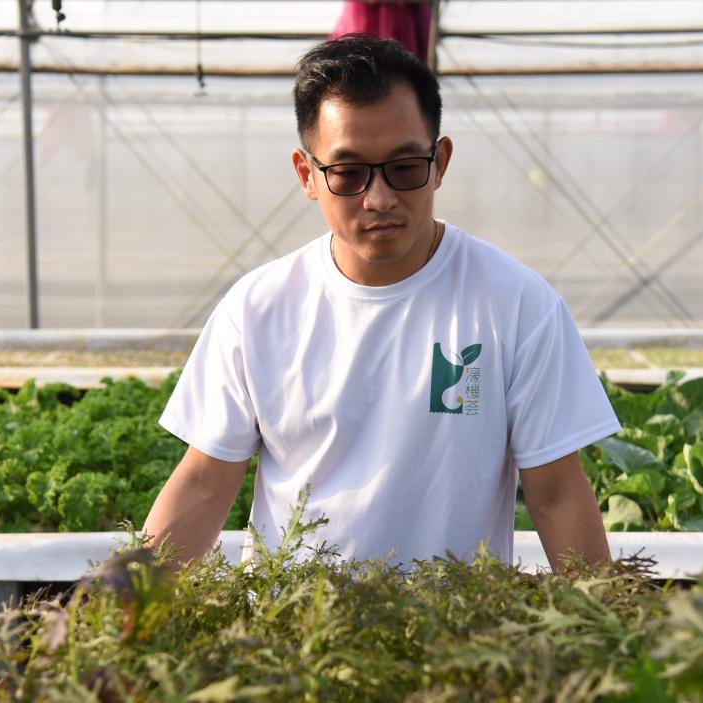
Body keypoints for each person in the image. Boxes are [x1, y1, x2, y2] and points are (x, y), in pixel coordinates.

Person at [143, 34, 620, 573]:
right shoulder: (258, 310)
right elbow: (205, 482)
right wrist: (120, 605)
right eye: (348, 173)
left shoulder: (516, 304)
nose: (380, 199)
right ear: (306, 175)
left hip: (454, 622)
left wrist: (604, 612)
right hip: (292, 621)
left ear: (440, 162)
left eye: (405, 166)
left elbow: (556, 493)